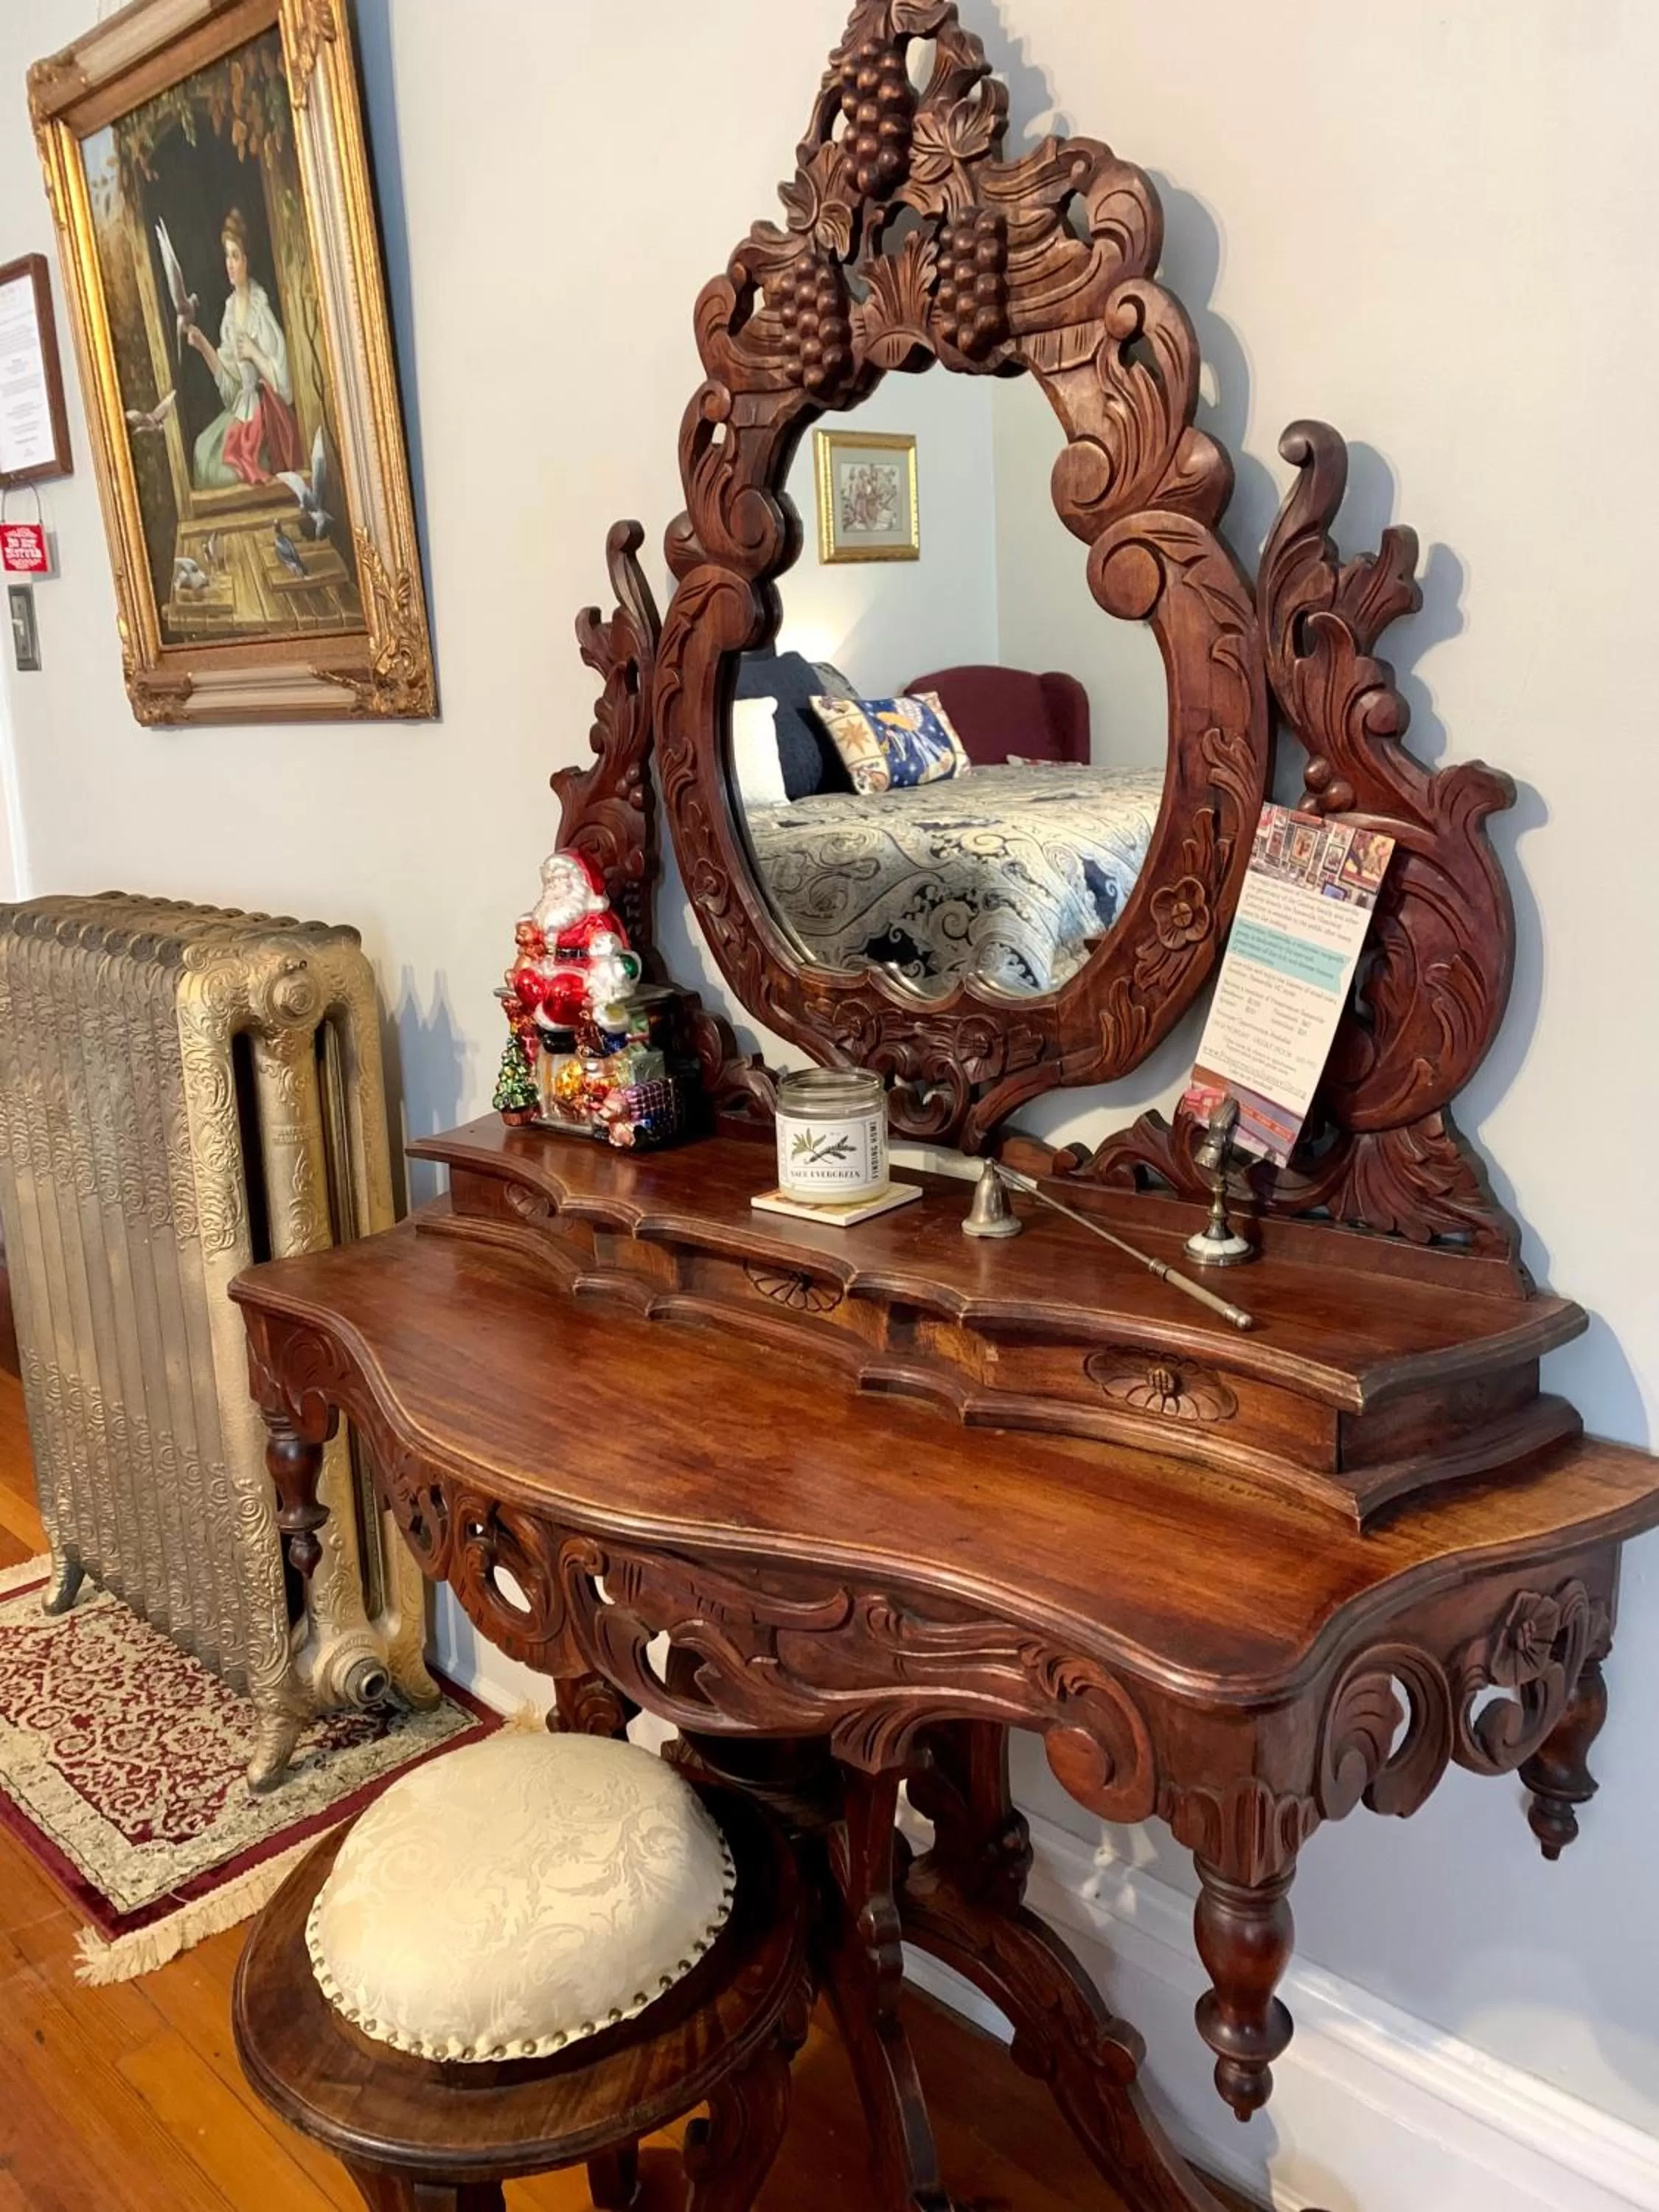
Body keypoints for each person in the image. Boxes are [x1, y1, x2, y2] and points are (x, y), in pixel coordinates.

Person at [186, 209, 304, 488]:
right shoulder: (229, 314)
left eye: (235, 256)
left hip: (265, 416)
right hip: (242, 409)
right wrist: (204, 347)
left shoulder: (260, 310)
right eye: (227, 256)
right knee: (203, 448)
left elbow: (285, 386)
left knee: (227, 473)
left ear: (248, 260)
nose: (230, 264)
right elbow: (231, 391)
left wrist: (254, 353)